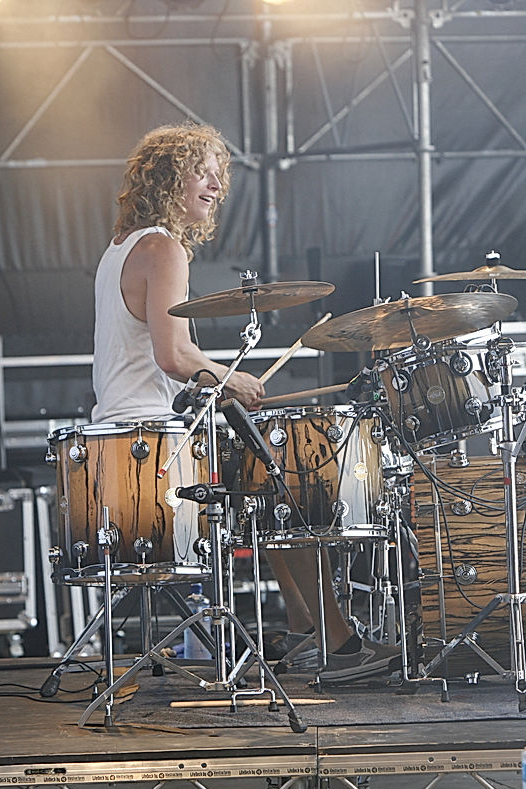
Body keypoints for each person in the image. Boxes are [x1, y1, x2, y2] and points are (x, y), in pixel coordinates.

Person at [91, 122, 398, 683]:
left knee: (264, 476)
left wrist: (213, 383)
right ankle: (340, 641)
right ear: (168, 177)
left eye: (219, 176)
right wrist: (231, 380)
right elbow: (172, 355)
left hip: (128, 430)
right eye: (202, 172)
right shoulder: (163, 247)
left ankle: (307, 631)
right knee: (288, 486)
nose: (215, 186)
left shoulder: (122, 248)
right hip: (153, 440)